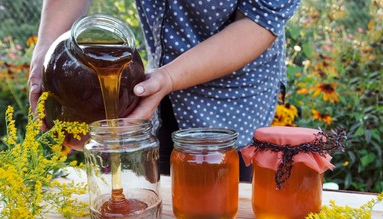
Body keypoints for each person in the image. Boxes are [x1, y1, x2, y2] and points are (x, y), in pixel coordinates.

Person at [28, 0, 301, 182]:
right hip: (157, 87)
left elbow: (259, 21)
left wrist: (169, 76)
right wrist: (45, 51)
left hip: (232, 100)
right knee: (165, 194)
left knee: (225, 203)